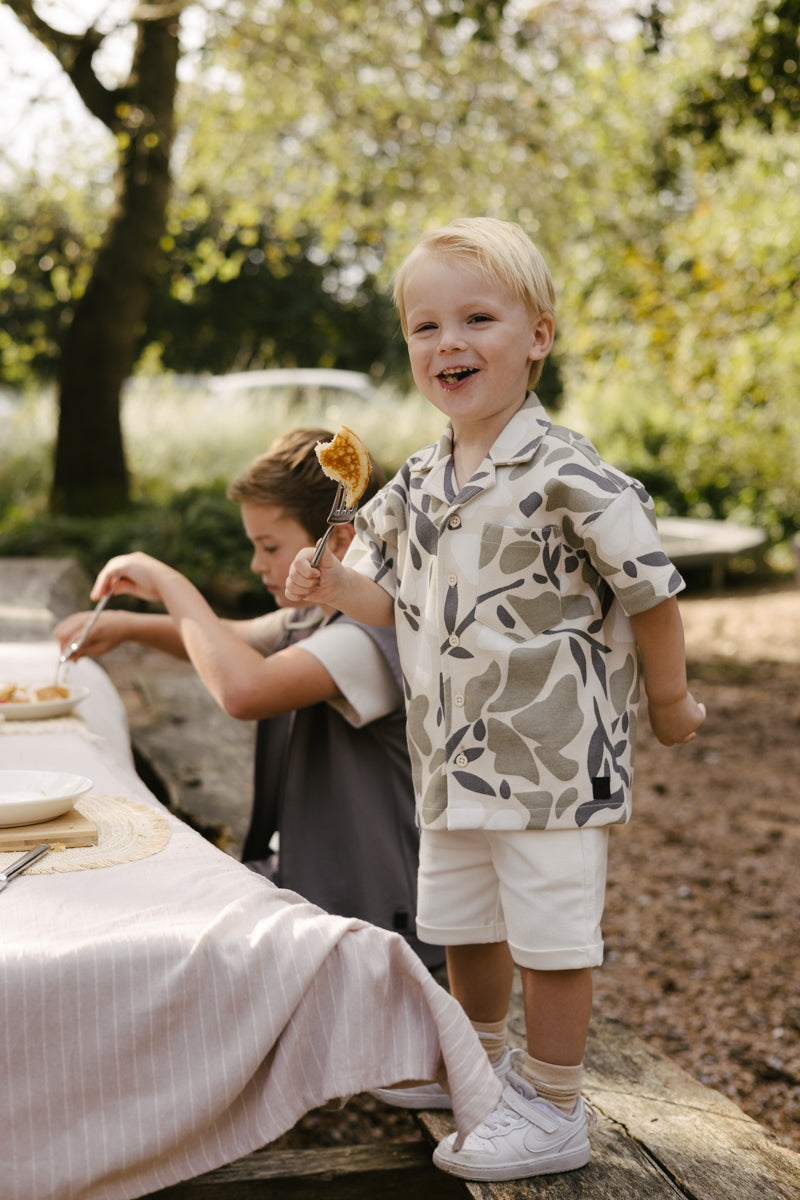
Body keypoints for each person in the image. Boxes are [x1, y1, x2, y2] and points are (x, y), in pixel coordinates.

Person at [285, 217, 706, 1181]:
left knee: (553, 935)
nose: (450, 342)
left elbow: (652, 590)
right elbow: (394, 599)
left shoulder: (569, 472)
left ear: (538, 336)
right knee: (462, 922)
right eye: (426, 327)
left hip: (550, 756)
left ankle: (553, 1104)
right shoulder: (418, 479)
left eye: (477, 319)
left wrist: (671, 701)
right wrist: (333, 584)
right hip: (450, 753)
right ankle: (475, 1061)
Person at [54, 428, 442, 969]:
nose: (258, 565)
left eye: (269, 547)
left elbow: (244, 689)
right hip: (321, 888)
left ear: (338, 542)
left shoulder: (371, 636)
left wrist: (169, 583)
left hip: (378, 923)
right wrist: (126, 626)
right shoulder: (310, 617)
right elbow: (232, 639)